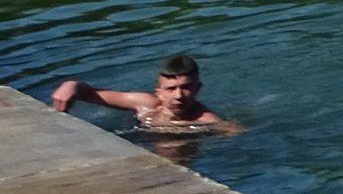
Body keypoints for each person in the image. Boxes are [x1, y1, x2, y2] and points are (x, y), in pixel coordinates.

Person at [52, 55, 238, 135]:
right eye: (171, 88)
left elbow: (234, 132)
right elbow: (90, 94)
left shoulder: (206, 120)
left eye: (186, 87)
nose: (179, 95)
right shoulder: (146, 104)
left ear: (198, 89)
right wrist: (71, 85)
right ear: (159, 92)